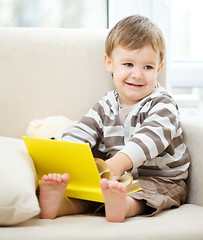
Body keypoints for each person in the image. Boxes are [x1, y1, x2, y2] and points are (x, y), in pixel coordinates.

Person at [39, 15, 190, 223]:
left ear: (159, 68)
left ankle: (124, 206)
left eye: (148, 67)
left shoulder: (163, 104)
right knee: (94, 189)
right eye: (128, 64)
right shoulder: (105, 105)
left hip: (161, 178)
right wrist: (63, 157)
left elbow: (149, 138)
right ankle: (61, 204)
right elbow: (81, 132)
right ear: (109, 63)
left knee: (145, 194)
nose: (137, 74)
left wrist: (115, 164)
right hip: (113, 177)